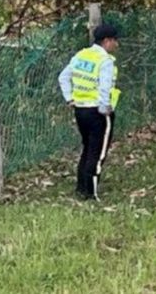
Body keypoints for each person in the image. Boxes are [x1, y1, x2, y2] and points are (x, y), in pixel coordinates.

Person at [58, 24, 121, 200]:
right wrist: (105, 107)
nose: (116, 44)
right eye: (115, 40)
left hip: (80, 110)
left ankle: (81, 187)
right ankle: (91, 193)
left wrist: (69, 98)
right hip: (98, 112)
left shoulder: (81, 55)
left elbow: (63, 77)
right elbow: (105, 86)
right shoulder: (105, 61)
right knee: (98, 152)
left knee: (87, 148)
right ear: (107, 41)